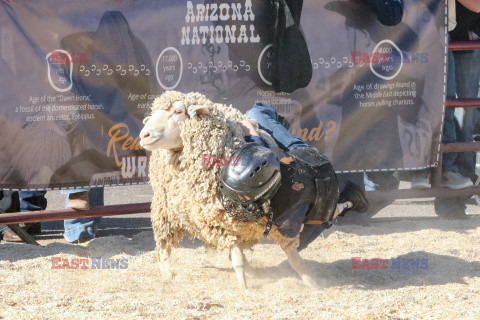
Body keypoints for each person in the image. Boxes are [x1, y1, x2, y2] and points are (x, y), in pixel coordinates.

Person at [218, 103, 369, 251]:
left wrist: (266, 220)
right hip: (299, 159)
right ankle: (277, 123)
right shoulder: (261, 157)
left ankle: (347, 202)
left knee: (304, 233)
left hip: (319, 179)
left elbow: (297, 229)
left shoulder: (284, 212)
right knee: (255, 113)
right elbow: (245, 123)